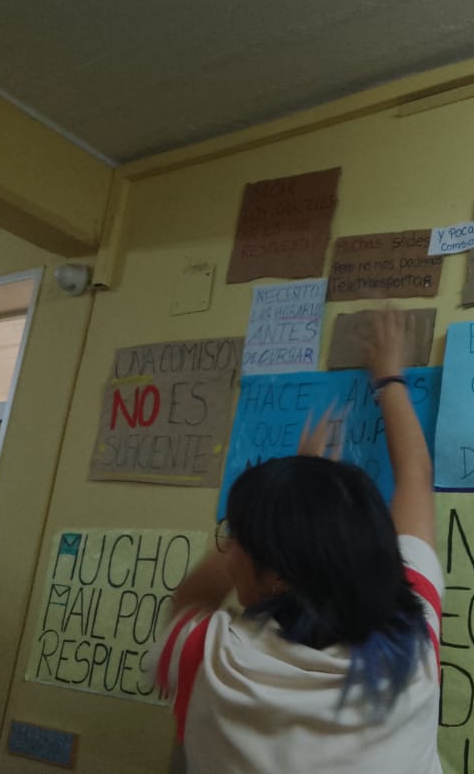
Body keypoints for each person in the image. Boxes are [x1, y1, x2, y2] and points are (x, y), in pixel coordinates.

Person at [154, 308, 443, 773]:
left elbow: (190, 597)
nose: (229, 558)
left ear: (280, 577)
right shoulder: (413, 648)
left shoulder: (210, 658)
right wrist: (389, 377)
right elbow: (415, 478)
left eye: (237, 541)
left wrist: (290, 491)